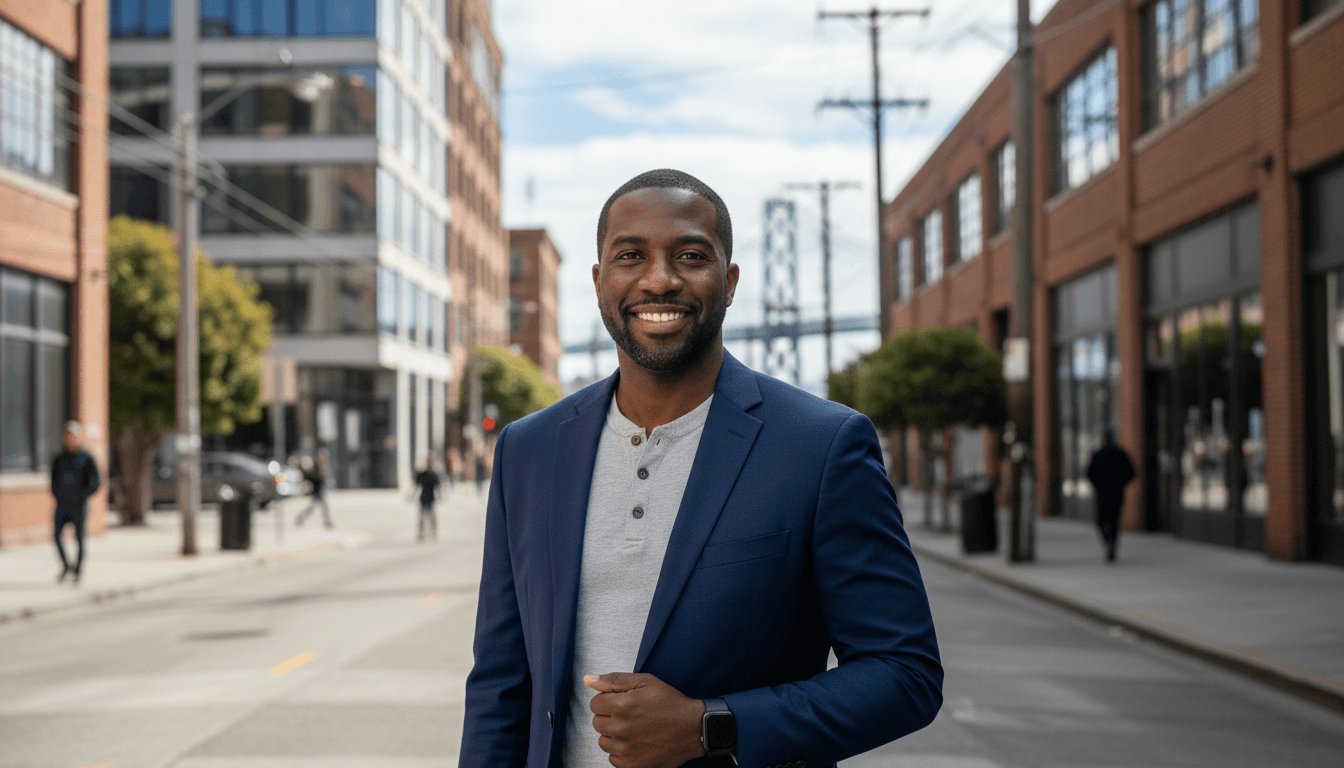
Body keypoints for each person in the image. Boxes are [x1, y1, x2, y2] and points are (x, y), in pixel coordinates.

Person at [460, 169, 942, 768]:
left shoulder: (822, 446)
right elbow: (500, 687)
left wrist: (712, 725)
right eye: (630, 256)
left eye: (690, 255)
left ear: (730, 280)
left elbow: (905, 673)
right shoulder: (527, 451)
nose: (659, 280)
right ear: (599, 280)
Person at [51, 421, 100, 585]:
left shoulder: (87, 458)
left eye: (73, 436)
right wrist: (58, 495)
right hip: (63, 505)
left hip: (79, 506)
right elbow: (53, 480)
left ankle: (78, 571)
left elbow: (96, 482)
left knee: (79, 539)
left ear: (79, 437)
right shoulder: (59, 458)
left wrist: (82, 495)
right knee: (57, 536)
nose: (70, 439)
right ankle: (66, 566)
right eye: (67, 436)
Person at [1087, 430, 1136, 563]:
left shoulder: (1098, 454)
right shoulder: (1120, 454)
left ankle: (1108, 541)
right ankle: (1112, 544)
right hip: (1117, 492)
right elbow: (1131, 473)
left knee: (1100, 520)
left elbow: (1089, 473)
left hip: (1102, 493)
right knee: (1114, 520)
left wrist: (1098, 485)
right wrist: (1120, 483)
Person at [295, 449, 332, 529]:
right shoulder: (315, 466)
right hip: (316, 491)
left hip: (320, 491)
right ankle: (300, 518)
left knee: (322, 507)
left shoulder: (322, 466)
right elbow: (311, 477)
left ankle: (327, 522)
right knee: (313, 508)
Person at [413, 457, 440, 542]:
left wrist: (439, 496)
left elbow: (437, 487)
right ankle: (421, 533)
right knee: (421, 517)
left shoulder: (433, 475)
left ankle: (433, 531)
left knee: (432, 516)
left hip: (431, 498)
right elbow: (417, 486)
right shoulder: (422, 475)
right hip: (423, 498)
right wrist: (413, 495)